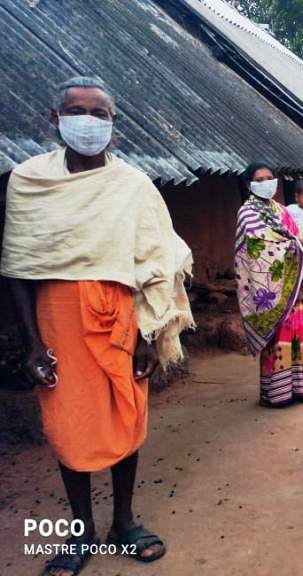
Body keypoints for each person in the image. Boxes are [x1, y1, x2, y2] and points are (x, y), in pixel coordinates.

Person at [2, 76, 193, 575]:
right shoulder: (29, 180)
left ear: (114, 123)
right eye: (76, 111)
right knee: (69, 421)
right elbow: (18, 268)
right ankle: (82, 529)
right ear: (54, 118)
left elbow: (156, 260)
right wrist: (31, 345)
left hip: (122, 315)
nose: (87, 121)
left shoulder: (132, 185)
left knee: (125, 412)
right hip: (57, 319)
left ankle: (123, 523)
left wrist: (149, 334)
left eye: (99, 113)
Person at [233, 163, 303, 407]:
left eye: (270, 177)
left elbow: (295, 235)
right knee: (279, 336)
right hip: (272, 288)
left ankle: (301, 388)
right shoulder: (247, 213)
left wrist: (300, 244)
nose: (266, 182)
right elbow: (261, 251)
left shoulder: (279, 209)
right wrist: (300, 245)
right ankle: (276, 393)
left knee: (300, 333)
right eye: (260, 179)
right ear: (249, 183)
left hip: (299, 284)